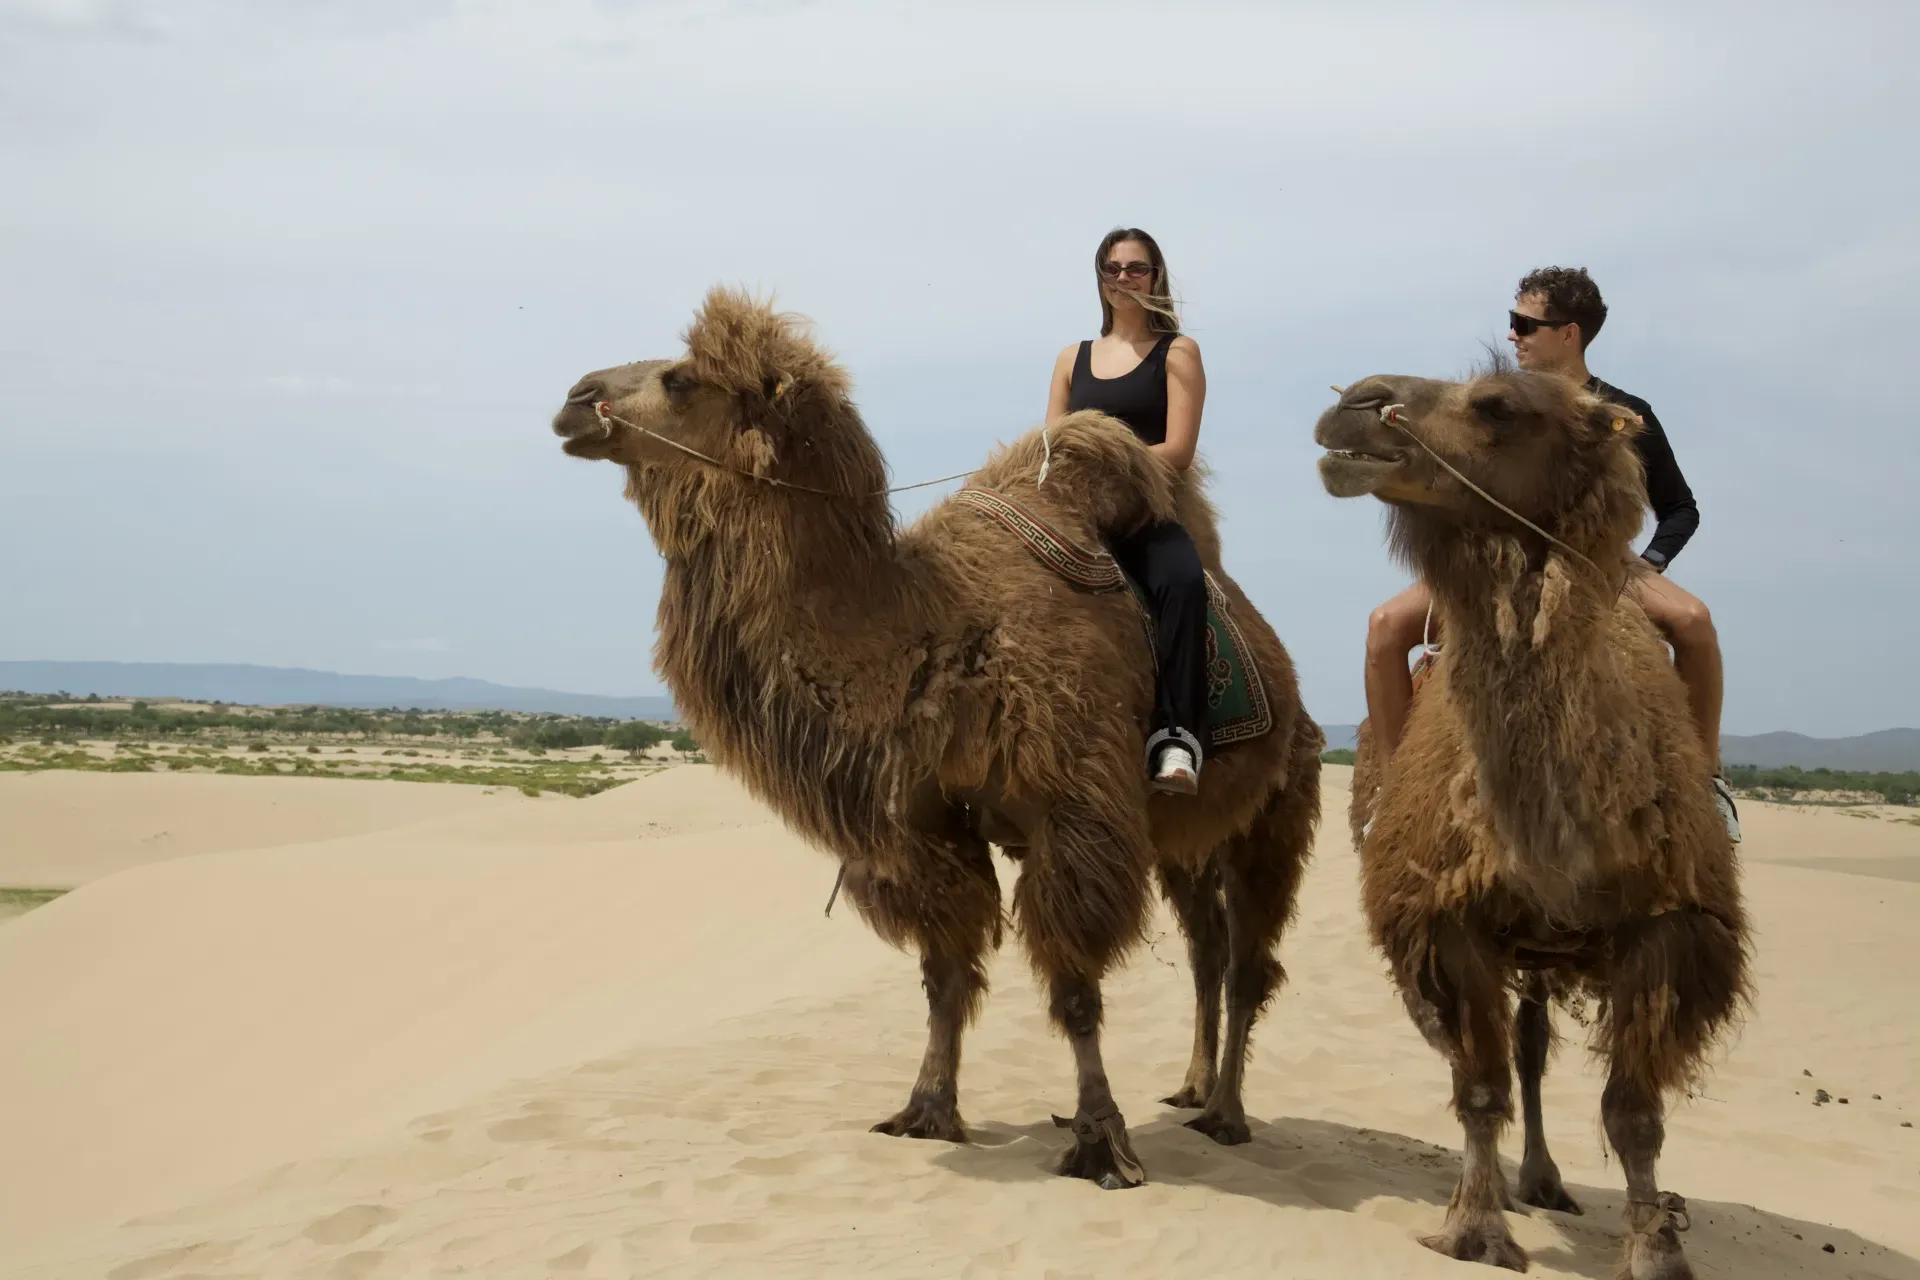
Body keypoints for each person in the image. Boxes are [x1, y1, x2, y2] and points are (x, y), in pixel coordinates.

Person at [1362, 266, 1741, 842]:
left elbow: (1681, 507)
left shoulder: (1623, 414)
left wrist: (1650, 561)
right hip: (1492, 567)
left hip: (1597, 567)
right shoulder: (1488, 409)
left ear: (1569, 333)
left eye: (1525, 324)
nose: (1512, 335)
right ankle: (1394, 793)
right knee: (1386, 627)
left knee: (1694, 624)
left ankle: (1706, 781)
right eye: (1511, 323)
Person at [1045, 227, 1210, 794]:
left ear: (1155, 275)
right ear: (1099, 278)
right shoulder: (1073, 359)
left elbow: (1178, 451)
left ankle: (1176, 739)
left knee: (1182, 582)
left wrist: (1111, 467)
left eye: (1135, 268)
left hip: (1144, 513)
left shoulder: (1178, 352)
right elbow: (1052, 446)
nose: (1123, 279)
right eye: (1111, 269)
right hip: (1077, 515)